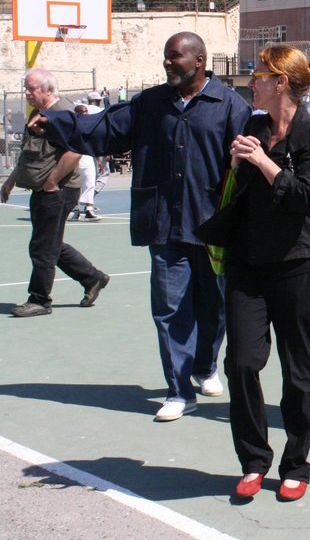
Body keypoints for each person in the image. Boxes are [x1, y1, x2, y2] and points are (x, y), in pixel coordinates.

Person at [28, 32, 251, 422]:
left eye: (175, 57)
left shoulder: (230, 105)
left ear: (199, 61)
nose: (168, 63)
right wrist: (58, 123)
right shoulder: (149, 103)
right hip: (165, 221)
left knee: (214, 307)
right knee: (169, 308)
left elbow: (246, 167)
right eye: (165, 57)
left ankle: (205, 365)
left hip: (214, 227)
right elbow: (103, 130)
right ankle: (180, 390)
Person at [196, 45, 310, 503]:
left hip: (299, 267)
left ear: (281, 82)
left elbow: (303, 197)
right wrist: (235, 163)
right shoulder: (252, 126)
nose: (251, 81)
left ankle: (296, 464)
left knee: (298, 372)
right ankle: (254, 459)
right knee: (242, 363)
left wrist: (263, 162)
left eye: (259, 74)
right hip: (247, 266)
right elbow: (229, 190)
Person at [1, 70, 109, 318]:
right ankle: (93, 278)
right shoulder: (37, 113)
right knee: (49, 243)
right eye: (26, 88)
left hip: (58, 189)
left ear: (48, 90)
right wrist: (10, 182)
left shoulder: (61, 112)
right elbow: (29, 153)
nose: (27, 93)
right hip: (43, 188)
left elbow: (75, 151)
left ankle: (40, 299)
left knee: (42, 247)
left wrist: (51, 181)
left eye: (32, 89)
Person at [69, 92, 106, 222]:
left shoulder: (85, 125)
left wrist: (99, 157)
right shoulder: (74, 126)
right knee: (79, 184)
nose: (85, 115)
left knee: (89, 181)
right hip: (77, 157)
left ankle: (86, 210)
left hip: (87, 155)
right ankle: (78, 211)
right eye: (83, 113)